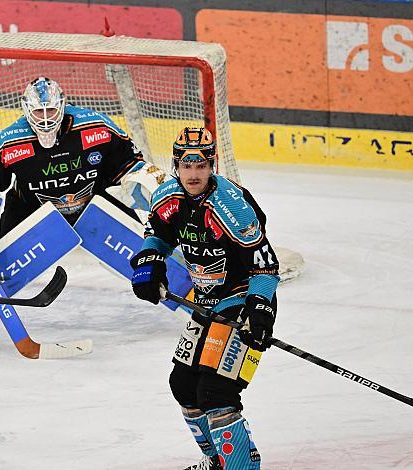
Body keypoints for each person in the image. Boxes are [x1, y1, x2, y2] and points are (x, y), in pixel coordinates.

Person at [0, 76, 163, 342]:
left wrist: (151, 190)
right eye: (38, 111)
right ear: (26, 110)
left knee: (144, 250)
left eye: (51, 110)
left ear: (63, 106)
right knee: (3, 267)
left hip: (92, 203)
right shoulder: (11, 141)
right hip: (31, 209)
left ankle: (188, 292)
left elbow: (132, 163)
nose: (45, 118)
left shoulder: (95, 127)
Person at [129, 127, 279, 470]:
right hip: (207, 302)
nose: (193, 174)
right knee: (182, 385)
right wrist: (150, 263)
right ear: (176, 165)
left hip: (242, 300)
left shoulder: (233, 208)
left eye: (201, 166)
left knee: (216, 392)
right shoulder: (166, 197)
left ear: (212, 165)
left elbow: (266, 267)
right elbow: (158, 236)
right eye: (186, 165)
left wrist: (260, 311)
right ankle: (216, 461)